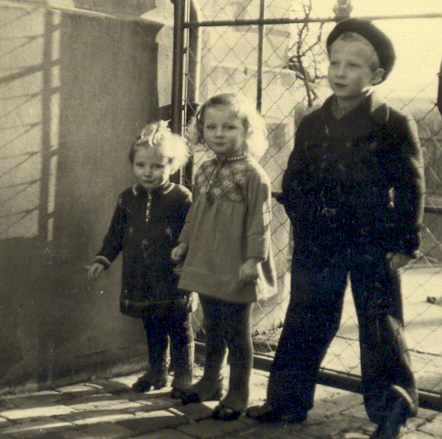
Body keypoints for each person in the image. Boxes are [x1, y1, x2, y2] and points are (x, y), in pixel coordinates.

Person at [246, 18, 425, 439]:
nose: (340, 73)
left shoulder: (392, 122)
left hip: (372, 242)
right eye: (334, 63)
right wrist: (304, 219)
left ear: (376, 75)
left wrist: (405, 241)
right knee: (305, 317)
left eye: (353, 66)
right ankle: (287, 402)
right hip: (319, 241)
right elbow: (295, 178)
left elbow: (410, 185)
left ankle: (392, 411)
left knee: (381, 326)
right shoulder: (312, 121)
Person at [171, 93, 277, 421]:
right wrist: (184, 243)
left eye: (229, 127)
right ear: (201, 130)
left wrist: (253, 259)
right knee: (212, 326)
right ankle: (211, 381)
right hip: (206, 261)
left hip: (237, 264)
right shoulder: (204, 170)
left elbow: (260, 221)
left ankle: (238, 393)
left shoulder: (253, 174)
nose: (219, 133)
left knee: (237, 333)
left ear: (247, 131)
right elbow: (195, 212)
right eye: (211, 126)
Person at [87, 121, 194, 399]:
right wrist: (103, 259)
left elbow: (192, 234)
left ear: (172, 165)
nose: (147, 172)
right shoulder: (127, 198)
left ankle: (184, 375)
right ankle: (157, 371)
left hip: (173, 275)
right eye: (141, 165)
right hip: (141, 276)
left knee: (179, 326)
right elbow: (115, 234)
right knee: (152, 325)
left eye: (157, 166)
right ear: (133, 164)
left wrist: (187, 260)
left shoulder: (181, 197)